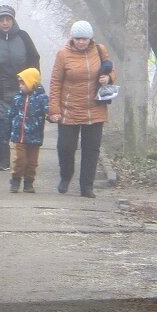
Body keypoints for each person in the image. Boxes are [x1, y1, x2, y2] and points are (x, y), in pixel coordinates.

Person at [47, 20, 115, 198]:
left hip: (95, 108)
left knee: (91, 149)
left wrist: (108, 78)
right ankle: (66, 176)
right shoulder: (63, 54)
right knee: (66, 147)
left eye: (84, 38)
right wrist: (54, 109)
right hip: (69, 108)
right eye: (77, 38)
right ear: (72, 38)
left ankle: (87, 186)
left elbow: (111, 70)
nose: (81, 42)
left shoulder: (100, 50)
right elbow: (55, 82)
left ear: (90, 38)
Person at [0, 5, 40, 170]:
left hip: (22, 90)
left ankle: (24, 160)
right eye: (1, 20)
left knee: (23, 126)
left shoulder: (23, 37)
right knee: (2, 127)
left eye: (8, 19)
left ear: (13, 20)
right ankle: (4, 161)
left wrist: (29, 82)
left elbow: (34, 59)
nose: (5, 23)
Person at [7, 67, 50, 193]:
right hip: (19, 136)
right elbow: (11, 113)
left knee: (32, 162)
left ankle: (28, 182)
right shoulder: (17, 98)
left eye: (23, 83)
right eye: (19, 83)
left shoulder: (42, 98)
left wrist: (51, 116)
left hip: (35, 136)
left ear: (32, 82)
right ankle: (15, 180)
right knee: (19, 159)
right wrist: (7, 126)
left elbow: (48, 110)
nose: (20, 86)